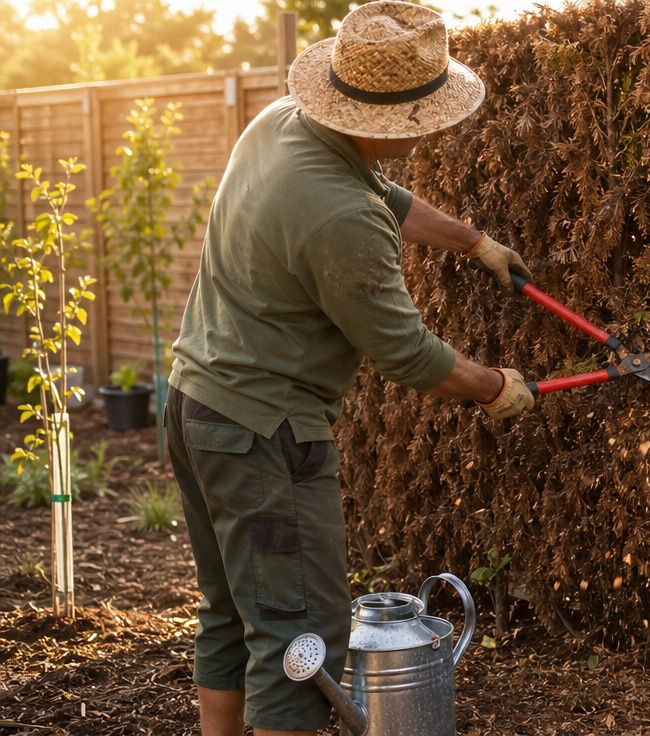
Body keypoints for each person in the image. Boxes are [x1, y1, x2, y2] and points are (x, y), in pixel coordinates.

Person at [165, 2, 532, 733]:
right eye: (421, 117)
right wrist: (497, 389)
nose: (429, 130)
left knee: (232, 612)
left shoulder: (281, 125)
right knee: (300, 637)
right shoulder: (340, 219)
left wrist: (472, 242)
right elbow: (408, 354)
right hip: (264, 436)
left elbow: (383, 197)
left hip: (193, 404)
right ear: (380, 120)